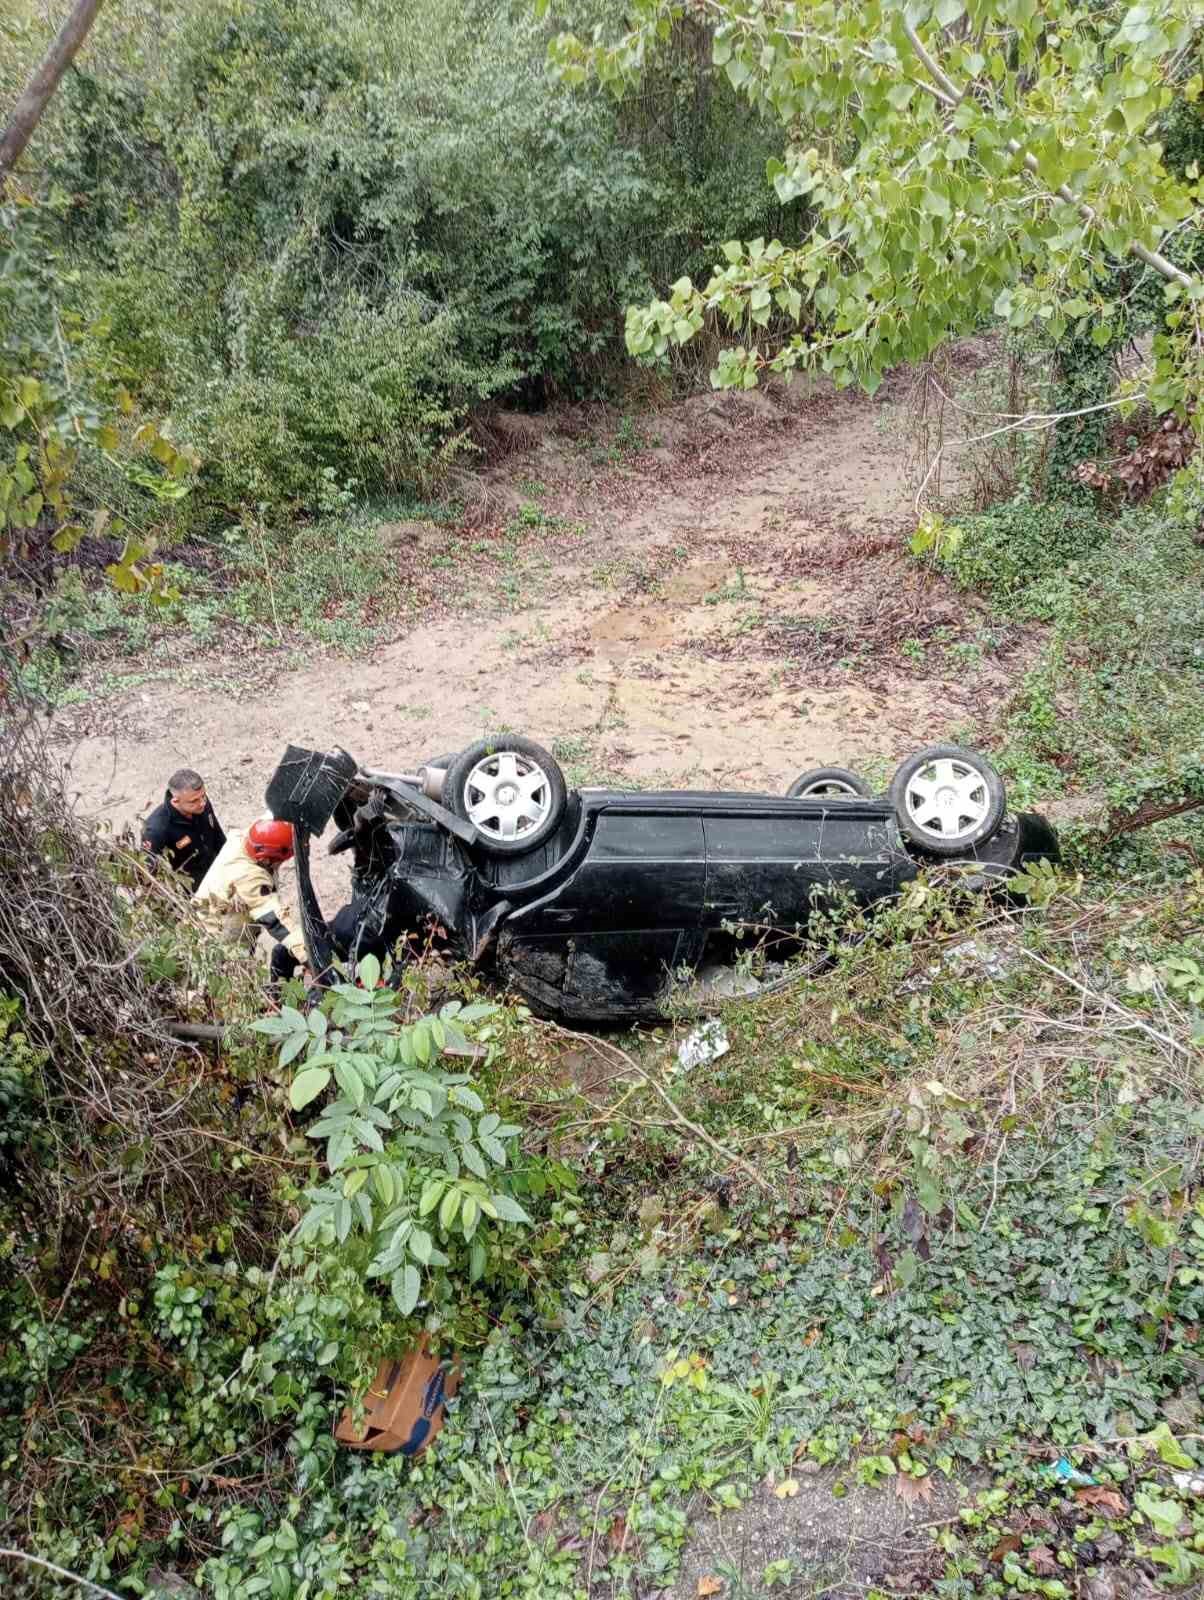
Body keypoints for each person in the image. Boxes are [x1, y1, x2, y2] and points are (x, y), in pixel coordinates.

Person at [191, 817, 310, 983]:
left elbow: (273, 819)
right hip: (217, 937)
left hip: (212, 918)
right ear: (267, 858)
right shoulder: (250, 877)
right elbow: (276, 921)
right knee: (225, 983)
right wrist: (307, 955)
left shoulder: (247, 838)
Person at [142, 768, 226, 893]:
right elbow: (150, 877)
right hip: (193, 893)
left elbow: (218, 835)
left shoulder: (200, 803)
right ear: (175, 800)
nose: (202, 803)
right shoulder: (156, 830)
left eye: (203, 796)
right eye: (194, 801)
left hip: (219, 872)